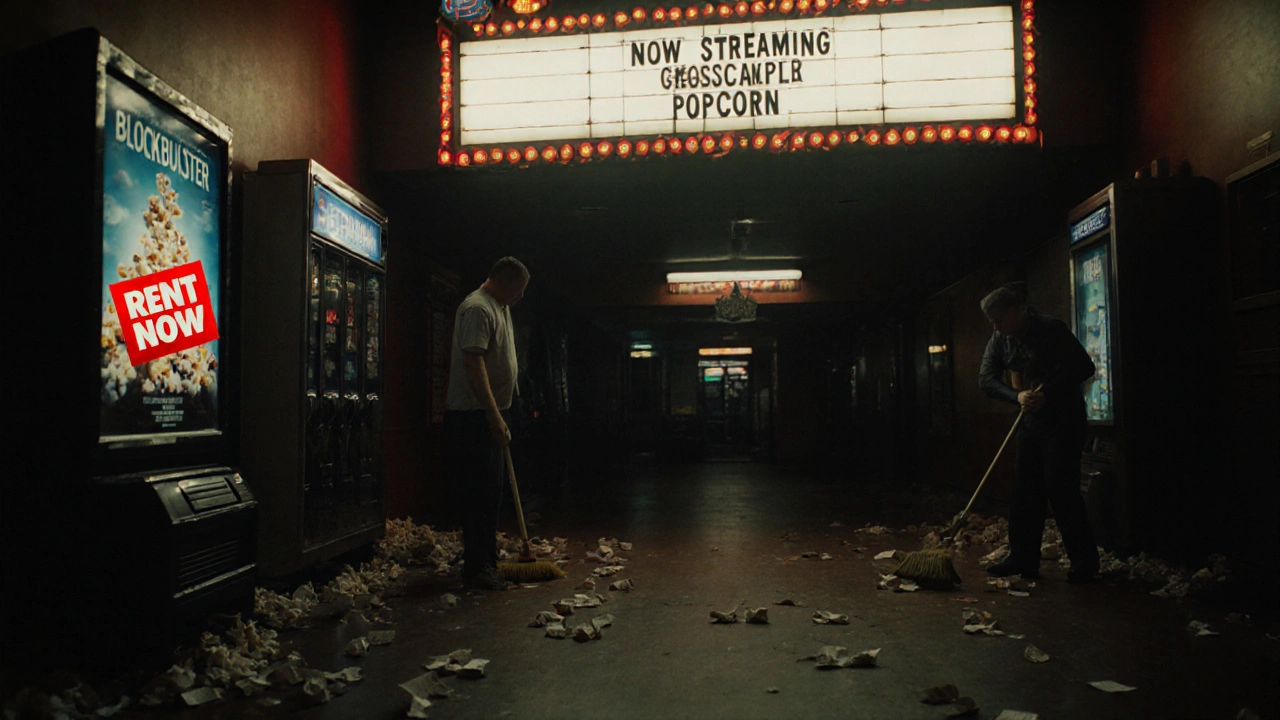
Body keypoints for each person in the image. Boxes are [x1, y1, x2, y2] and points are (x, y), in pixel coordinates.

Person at [978, 283, 1100, 583]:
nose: (995, 327)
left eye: (998, 320)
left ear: (1016, 311)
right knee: (1024, 490)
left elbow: (1084, 367)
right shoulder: (1000, 340)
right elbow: (986, 379)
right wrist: (1016, 396)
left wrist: (1050, 394)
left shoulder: (1050, 329)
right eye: (992, 322)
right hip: (1030, 420)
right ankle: (1023, 558)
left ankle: (1084, 562)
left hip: (1064, 419)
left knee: (1061, 488)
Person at [444, 257, 530, 590]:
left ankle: (488, 561)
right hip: (472, 416)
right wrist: (493, 415)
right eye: (518, 290)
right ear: (502, 281)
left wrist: (511, 407)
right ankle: (477, 569)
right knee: (478, 493)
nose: (521, 297)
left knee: (492, 492)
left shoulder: (501, 307)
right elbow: (472, 362)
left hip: (496, 410)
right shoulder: (477, 308)